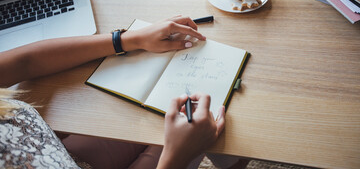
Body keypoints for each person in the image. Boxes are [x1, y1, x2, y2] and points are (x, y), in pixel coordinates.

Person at [0, 16, 230, 169]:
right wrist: (176, 157)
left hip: (59, 154)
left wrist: (130, 39)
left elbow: (25, 62)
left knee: (158, 119)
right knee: (204, 130)